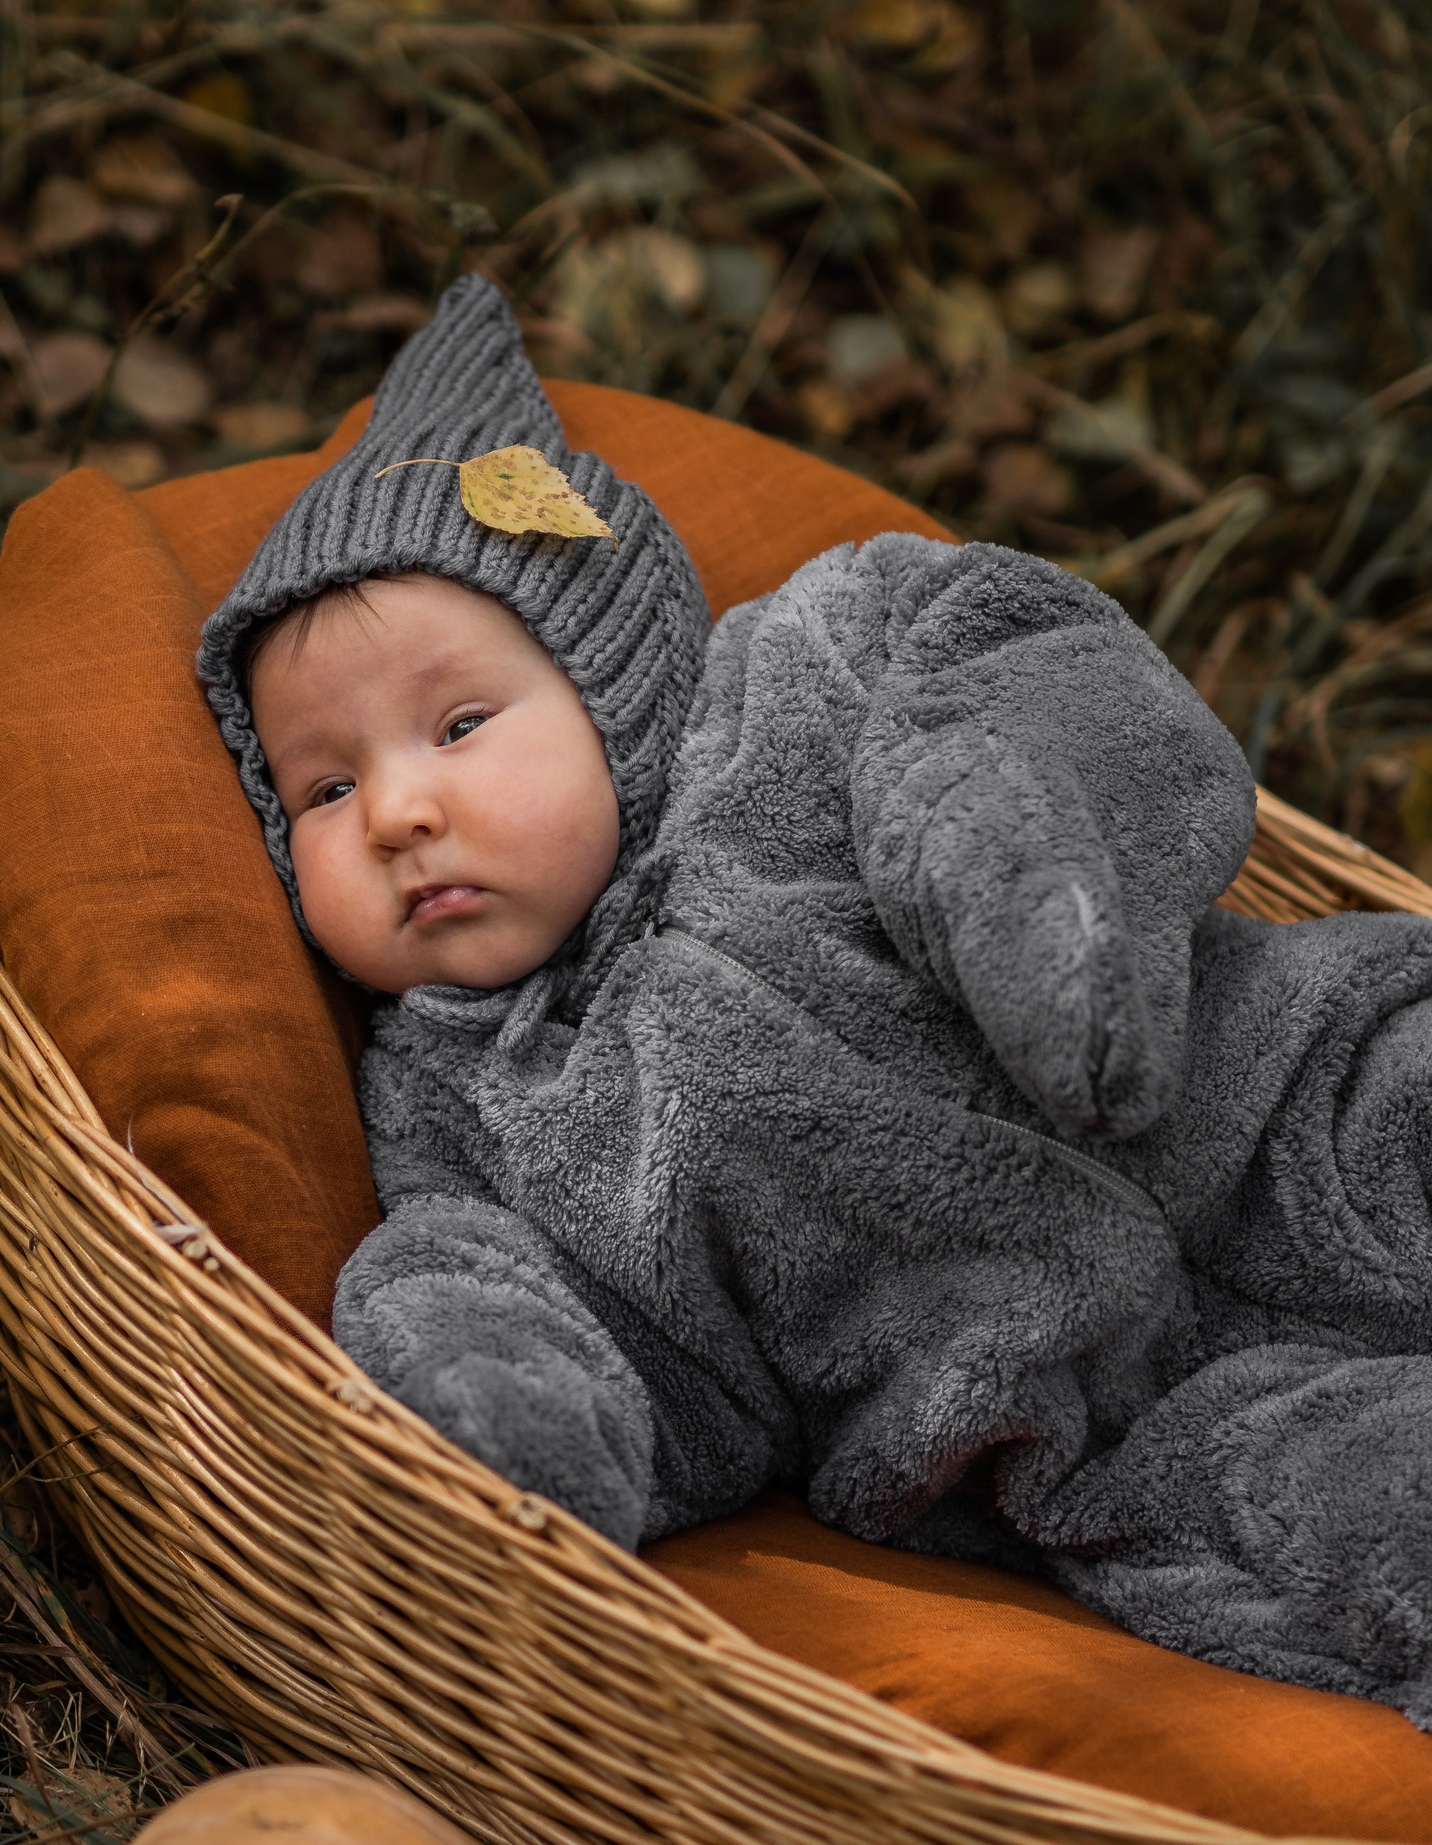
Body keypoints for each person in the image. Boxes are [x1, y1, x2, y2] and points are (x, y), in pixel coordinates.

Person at [196, 274, 1432, 1726]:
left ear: (612, 694)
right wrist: (502, 1382)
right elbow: (628, 1352)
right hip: (1102, 1412)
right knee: (1359, 1504)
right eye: (325, 789)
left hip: (1291, 1096)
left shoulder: (801, 684)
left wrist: (1007, 845)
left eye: (461, 724)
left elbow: (1027, 652)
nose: (400, 807)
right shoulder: (462, 1112)